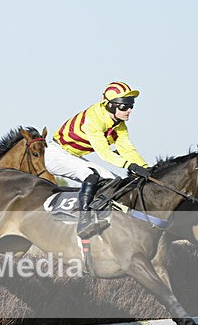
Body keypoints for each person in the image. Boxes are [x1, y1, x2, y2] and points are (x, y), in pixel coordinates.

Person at [45, 81, 151, 238]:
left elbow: (127, 150)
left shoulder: (120, 126)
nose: (129, 110)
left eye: (131, 106)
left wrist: (146, 168)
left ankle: (104, 218)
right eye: (124, 106)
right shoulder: (93, 120)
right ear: (109, 105)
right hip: (56, 155)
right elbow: (104, 153)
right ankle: (84, 221)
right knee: (91, 175)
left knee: (113, 180)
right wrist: (130, 165)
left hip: (74, 156)